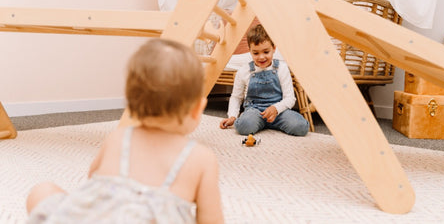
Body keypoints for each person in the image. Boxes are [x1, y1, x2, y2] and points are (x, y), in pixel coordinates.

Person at [26, 39, 224, 224]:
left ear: (131, 101)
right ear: (198, 108)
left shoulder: (118, 137)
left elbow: (92, 183)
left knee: (43, 191)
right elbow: (211, 220)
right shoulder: (201, 158)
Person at [219, 24, 309, 136]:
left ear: (274, 48)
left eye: (266, 52)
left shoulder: (282, 68)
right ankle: (257, 123)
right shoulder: (244, 71)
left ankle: (267, 123)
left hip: (279, 111)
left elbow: (290, 98)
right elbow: (236, 97)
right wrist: (232, 116)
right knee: (243, 126)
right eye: (256, 53)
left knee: (301, 127)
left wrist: (275, 108)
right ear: (250, 51)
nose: (261, 57)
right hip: (255, 111)